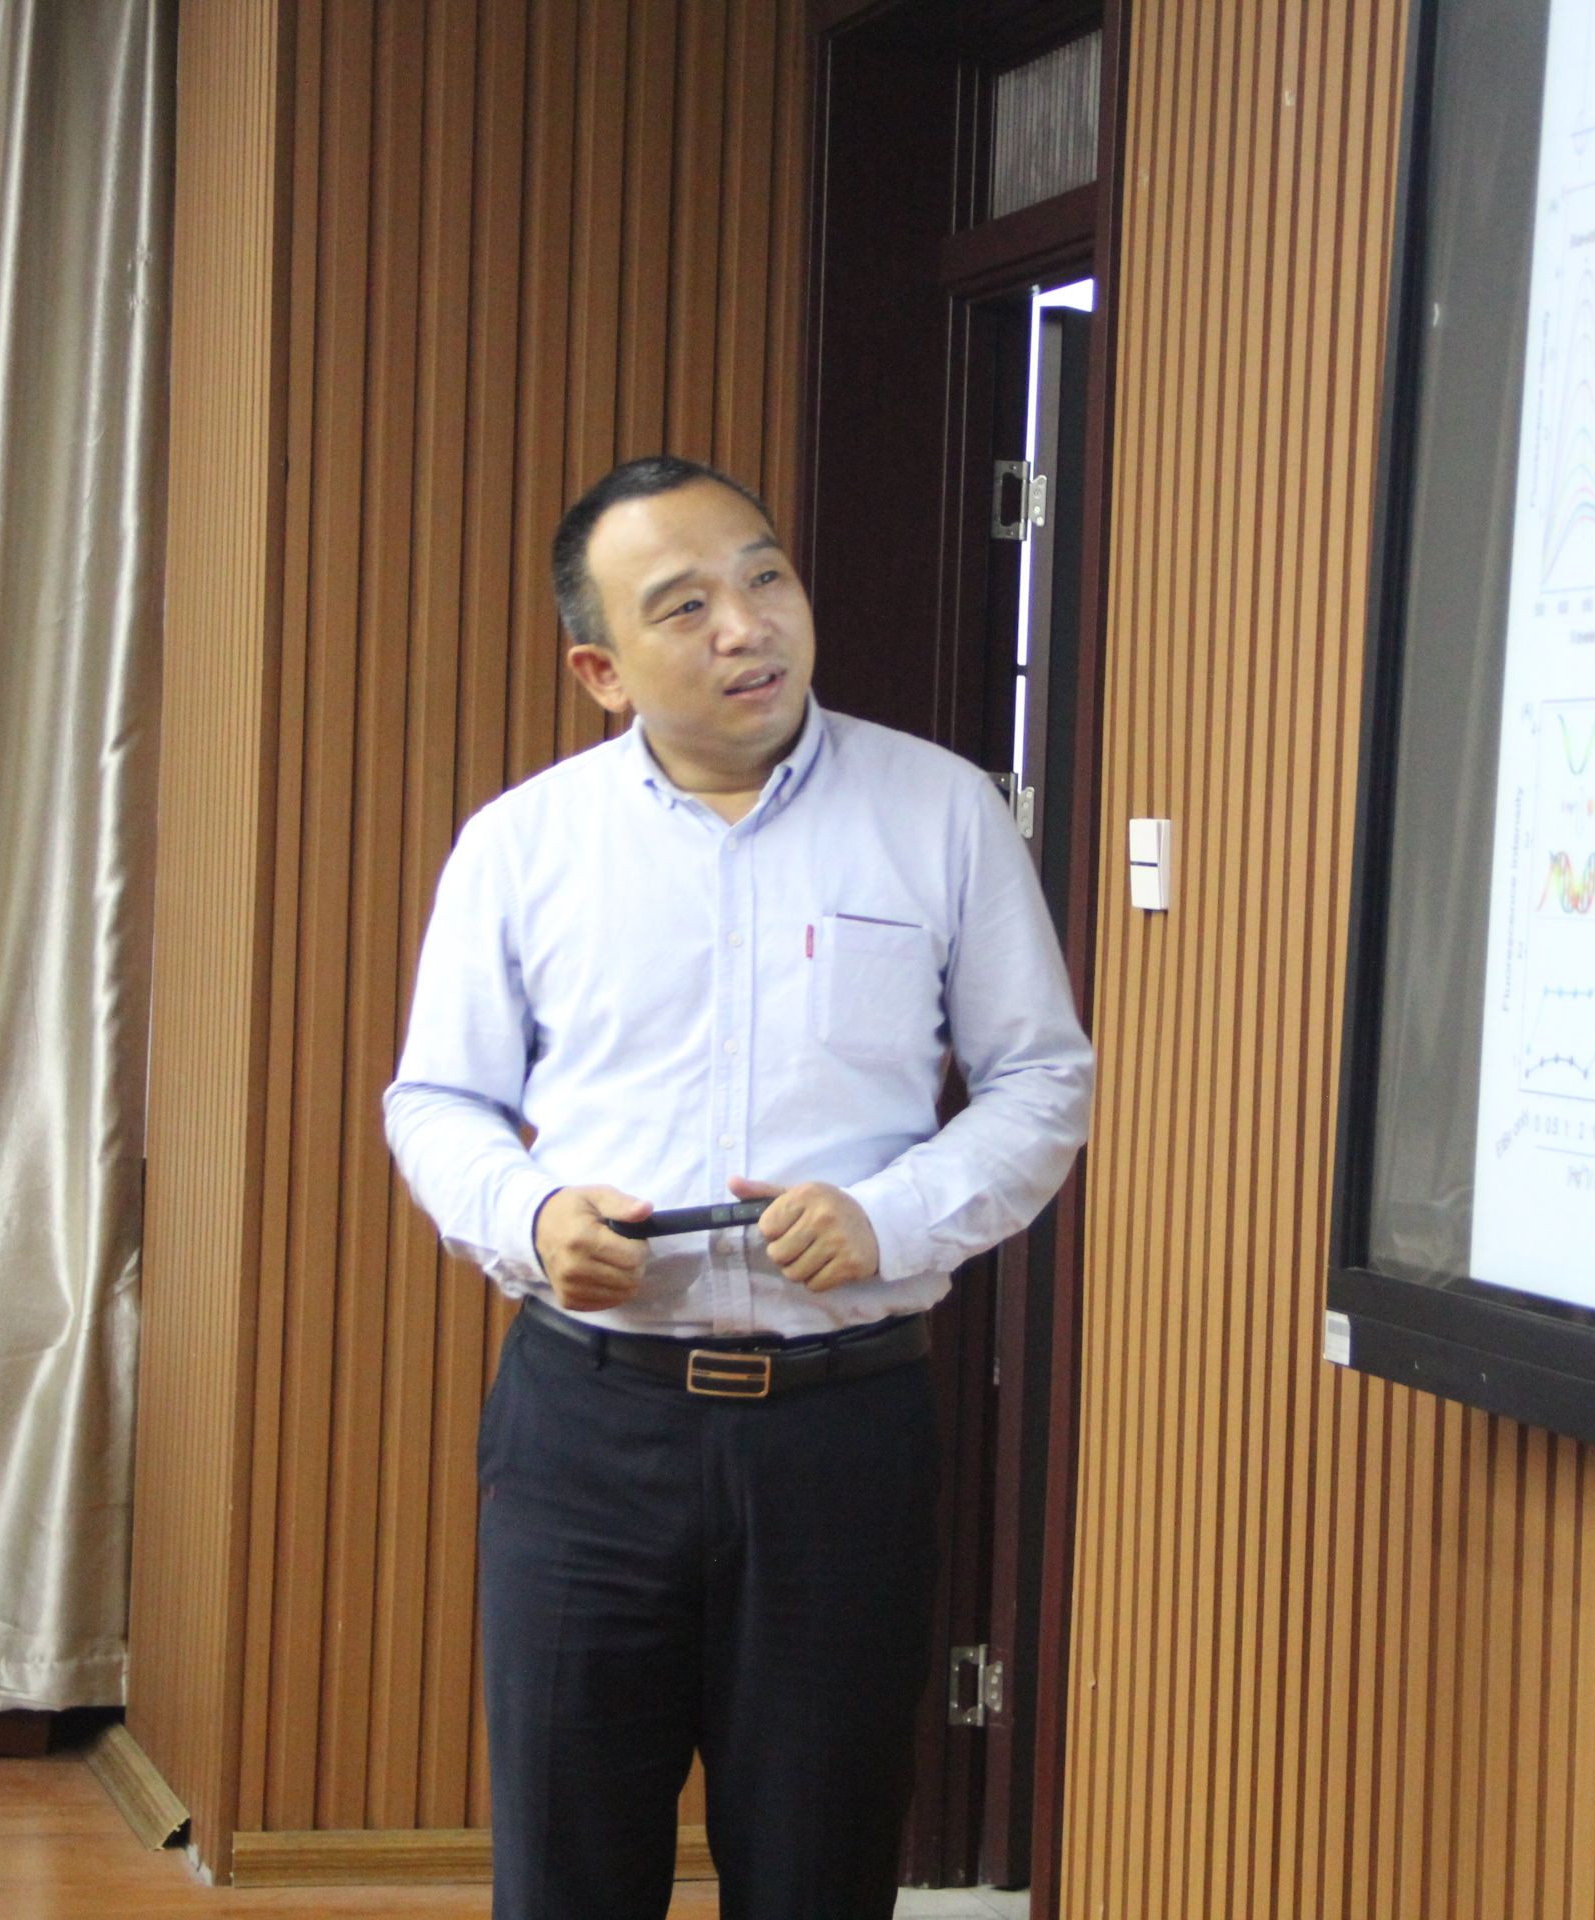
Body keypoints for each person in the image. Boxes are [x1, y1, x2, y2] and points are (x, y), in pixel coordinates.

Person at [383, 455, 1093, 1919]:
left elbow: (1041, 1081)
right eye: (685, 605)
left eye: (765, 576)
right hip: (590, 1429)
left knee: (822, 1874)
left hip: (843, 1435)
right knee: (569, 1875)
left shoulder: (942, 811)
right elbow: (438, 1100)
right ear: (600, 669)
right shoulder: (523, 845)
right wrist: (530, 1217)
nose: (746, 625)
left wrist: (890, 1215)